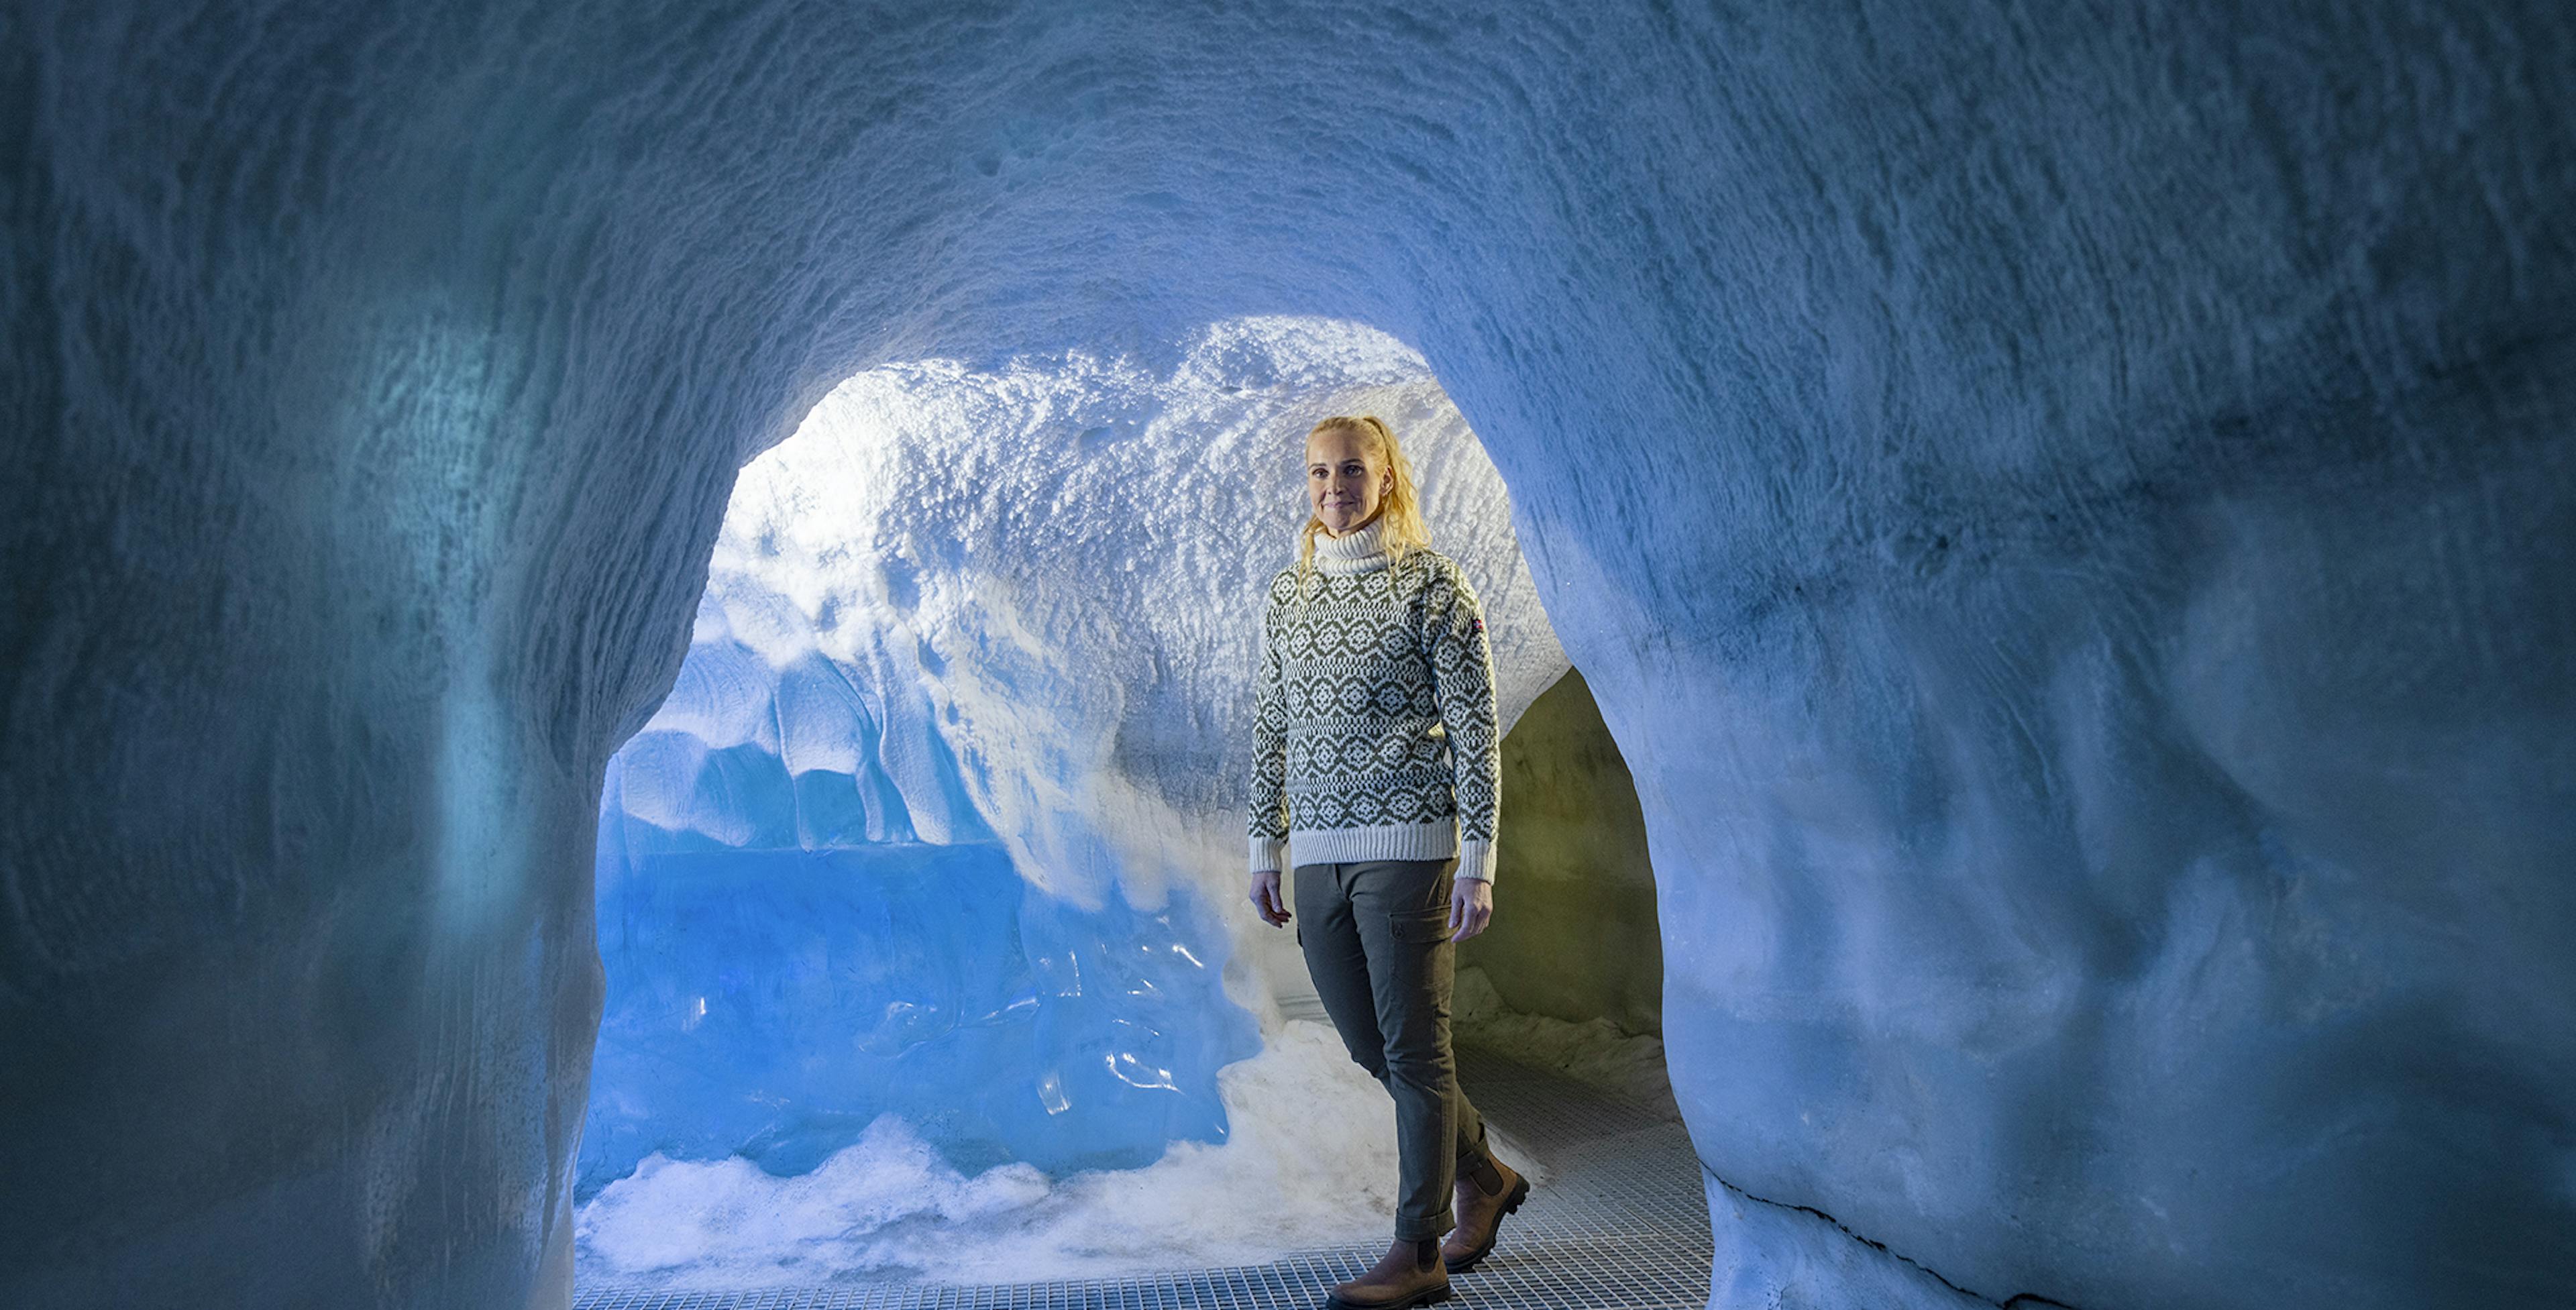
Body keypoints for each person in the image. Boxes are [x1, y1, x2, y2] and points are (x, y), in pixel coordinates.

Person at [1247, 415, 1531, 1309]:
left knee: (1416, 1048)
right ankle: (1481, 1170)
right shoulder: (1288, 597)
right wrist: (1266, 843)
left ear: (1389, 478)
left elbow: (1476, 730)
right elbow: (1271, 724)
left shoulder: (1432, 586)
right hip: (1319, 857)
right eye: (1321, 472)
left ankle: (1418, 1251)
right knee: (1373, 1044)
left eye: (1353, 470)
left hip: (1410, 846)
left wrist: (1478, 859)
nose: (1335, 486)